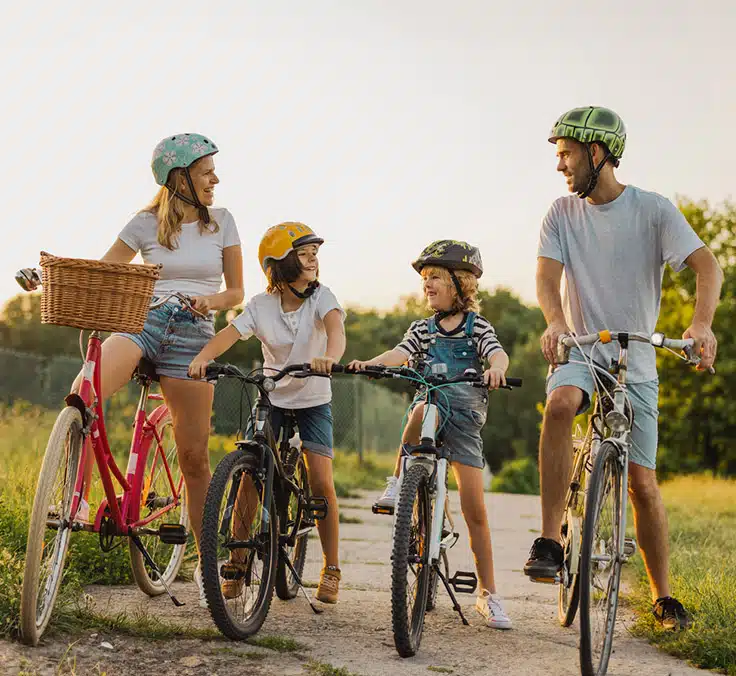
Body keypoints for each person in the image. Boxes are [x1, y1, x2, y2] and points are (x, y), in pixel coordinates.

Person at [524, 106, 723, 630]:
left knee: (643, 482)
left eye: (566, 153)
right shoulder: (561, 213)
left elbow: (708, 265)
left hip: (635, 359)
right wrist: (555, 322)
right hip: (582, 350)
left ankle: (664, 596)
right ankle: (549, 539)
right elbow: (547, 278)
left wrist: (701, 325)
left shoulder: (653, 210)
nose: (560, 165)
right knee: (561, 404)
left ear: (597, 152)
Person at [74, 133, 243, 606]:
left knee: (194, 458)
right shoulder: (145, 223)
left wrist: (209, 300)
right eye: (207, 170)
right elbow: (106, 270)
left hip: (193, 334)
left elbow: (235, 293)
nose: (216, 179)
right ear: (179, 176)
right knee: (83, 391)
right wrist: (45, 274)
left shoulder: (223, 222)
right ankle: (74, 496)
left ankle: (207, 565)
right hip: (141, 321)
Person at [349, 240, 513, 629]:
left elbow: (498, 353)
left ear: (461, 284)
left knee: (475, 510)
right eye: (425, 279)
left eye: (435, 277)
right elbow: (401, 352)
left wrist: (497, 369)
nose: (428, 285)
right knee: (423, 407)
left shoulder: (478, 328)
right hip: (431, 415)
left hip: (466, 421)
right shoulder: (422, 329)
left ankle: (488, 595)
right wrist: (370, 363)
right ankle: (398, 482)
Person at [189, 222, 346, 604]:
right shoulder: (261, 305)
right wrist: (203, 358)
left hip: (312, 398)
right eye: (305, 253)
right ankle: (238, 561)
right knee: (249, 478)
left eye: (315, 253)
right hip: (273, 395)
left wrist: (330, 358)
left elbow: (336, 329)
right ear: (281, 263)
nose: (313, 259)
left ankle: (332, 566)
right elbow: (229, 334)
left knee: (322, 481)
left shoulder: (321, 297)